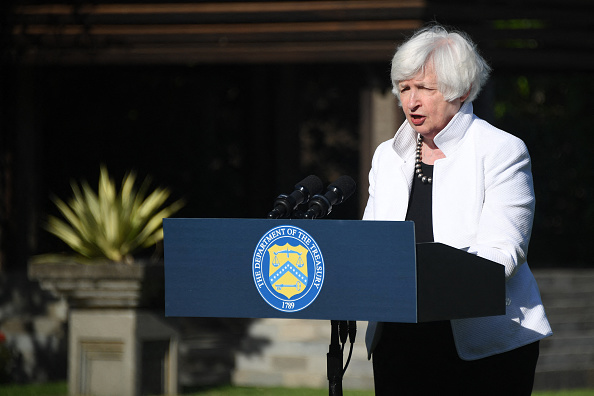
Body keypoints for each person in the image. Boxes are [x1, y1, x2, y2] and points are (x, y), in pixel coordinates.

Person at [363, 24, 552, 395]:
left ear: (461, 92)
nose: (411, 102)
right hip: (399, 340)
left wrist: (434, 289)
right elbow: (372, 244)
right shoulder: (387, 156)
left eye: (425, 89)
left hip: (484, 346)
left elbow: (504, 251)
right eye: (404, 89)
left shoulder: (501, 150)